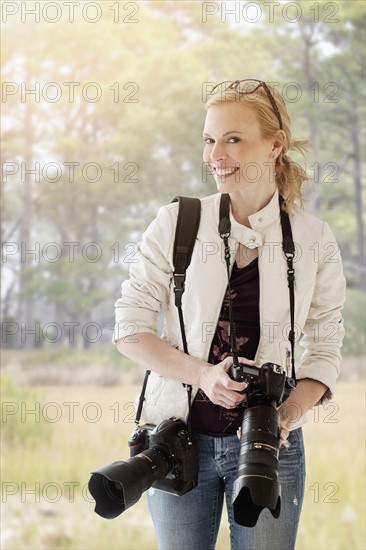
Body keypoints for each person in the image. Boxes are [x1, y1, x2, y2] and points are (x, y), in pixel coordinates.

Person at [113, 79, 346, 550]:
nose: (216, 154)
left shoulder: (314, 238)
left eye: (233, 139)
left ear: (275, 144)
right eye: (209, 139)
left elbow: (325, 346)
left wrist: (289, 414)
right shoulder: (176, 223)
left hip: (269, 448)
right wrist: (202, 375)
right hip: (175, 443)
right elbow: (130, 330)